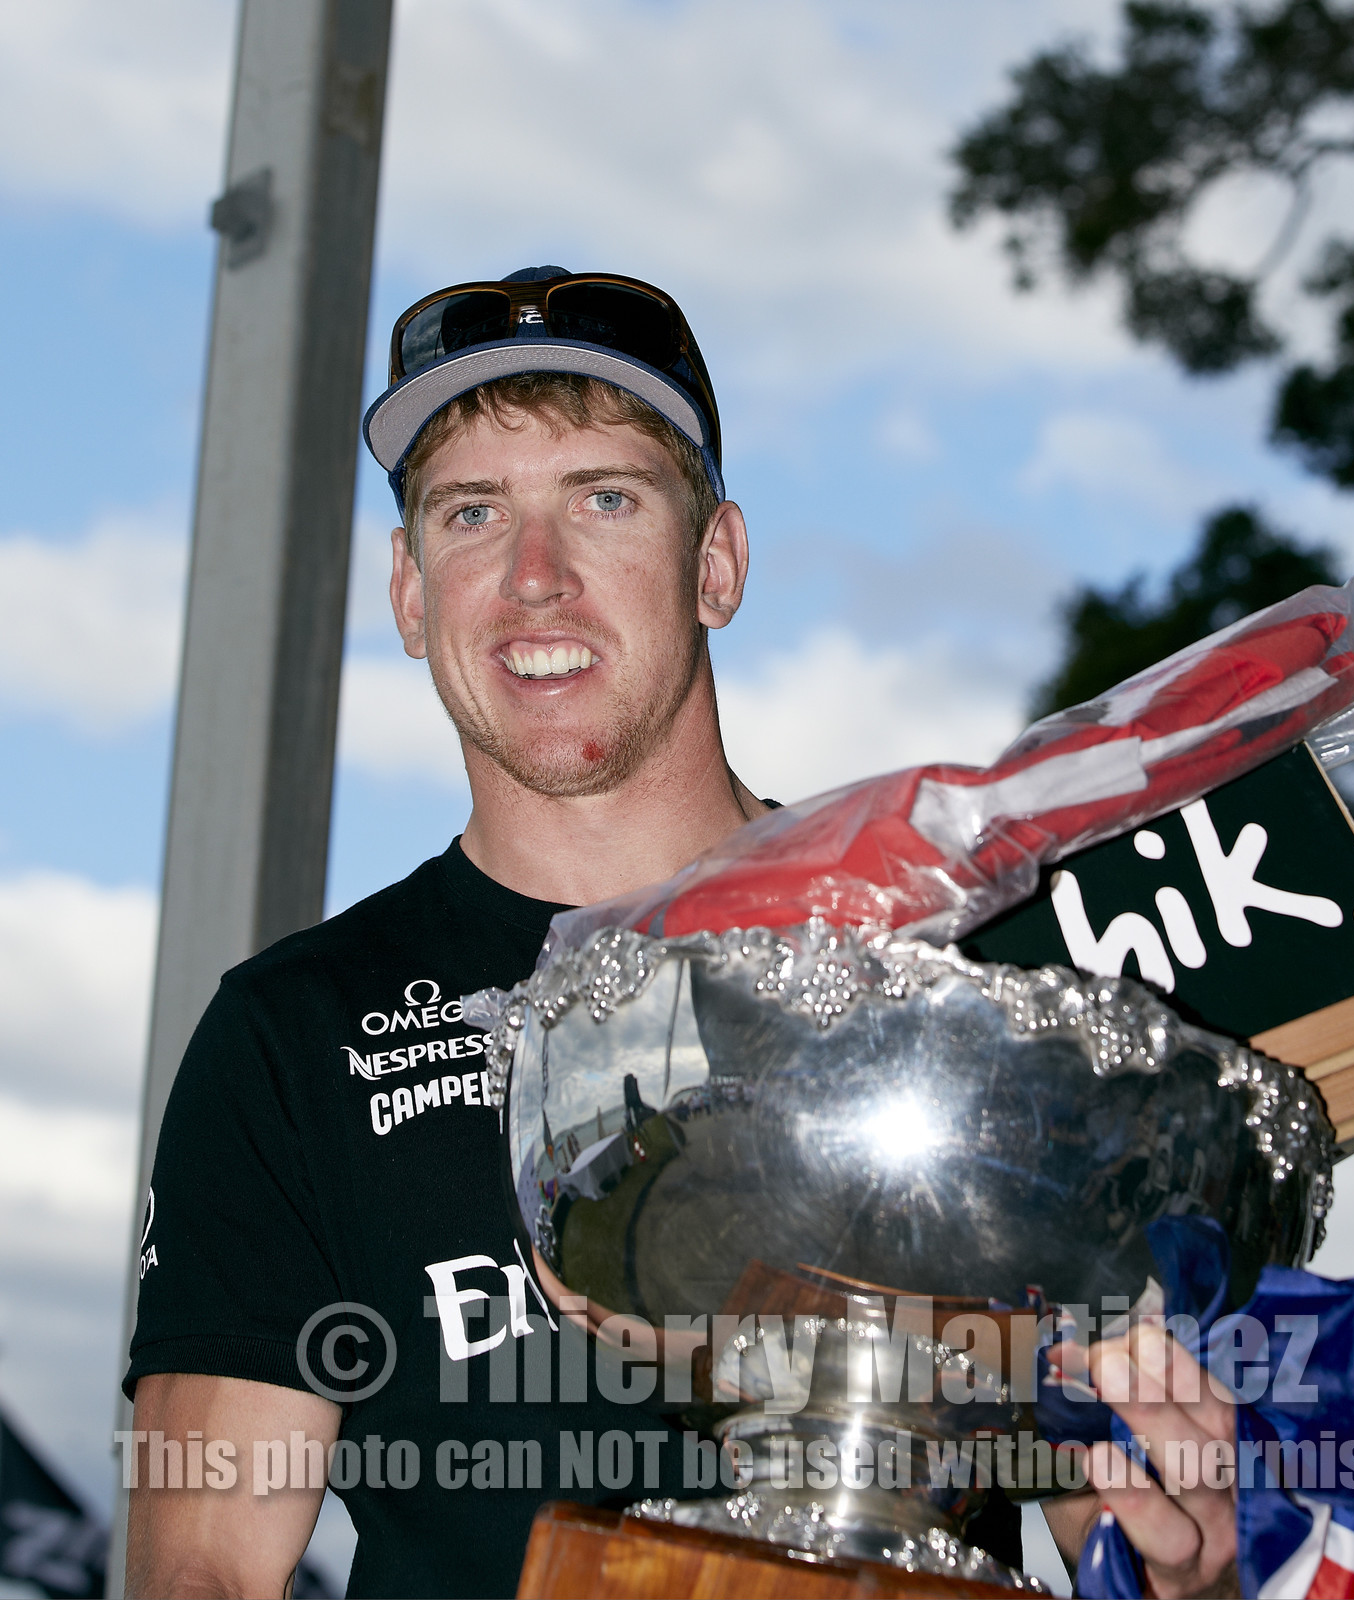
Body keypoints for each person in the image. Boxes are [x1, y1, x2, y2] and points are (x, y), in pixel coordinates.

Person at [123, 265, 1239, 1598]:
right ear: (412, 594)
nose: (535, 579)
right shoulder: (294, 1036)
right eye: (473, 513)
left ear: (717, 563)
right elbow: (202, 1569)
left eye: (605, 499)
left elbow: (1127, 1515)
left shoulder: (946, 965)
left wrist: (1191, 1570)